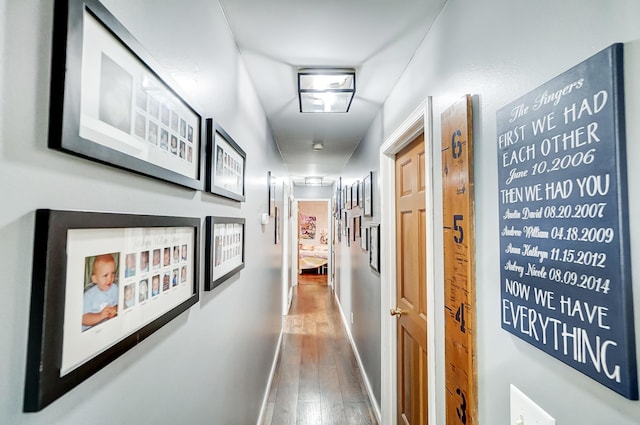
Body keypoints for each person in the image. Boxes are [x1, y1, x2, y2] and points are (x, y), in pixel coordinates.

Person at [82, 254, 118, 331]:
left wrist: (114, 310)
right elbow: (84, 319)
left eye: (112, 273)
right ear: (95, 279)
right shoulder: (88, 296)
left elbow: (119, 305)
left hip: (107, 327)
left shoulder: (114, 288)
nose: (110, 279)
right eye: (105, 275)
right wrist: (100, 315)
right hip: (91, 331)